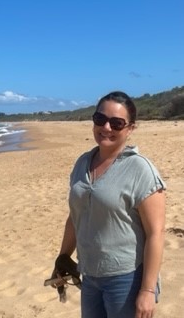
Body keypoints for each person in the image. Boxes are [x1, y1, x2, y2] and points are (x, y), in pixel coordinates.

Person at [52, 91, 166, 318]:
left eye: (117, 123)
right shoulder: (83, 163)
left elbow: (156, 233)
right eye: (100, 119)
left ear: (130, 128)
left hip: (126, 278)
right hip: (89, 275)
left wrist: (147, 290)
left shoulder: (140, 169)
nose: (106, 127)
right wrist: (63, 258)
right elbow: (76, 217)